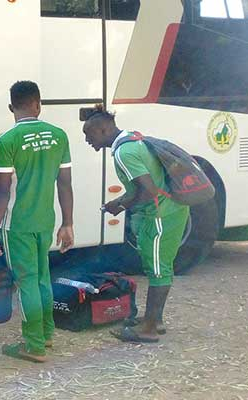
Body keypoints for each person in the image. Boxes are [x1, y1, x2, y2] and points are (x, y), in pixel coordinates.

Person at [82, 105, 189, 343]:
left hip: (161, 213)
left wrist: (120, 206)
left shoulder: (124, 153)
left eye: (88, 134)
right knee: (160, 266)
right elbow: (143, 188)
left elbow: (149, 191)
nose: (87, 140)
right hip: (169, 209)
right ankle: (154, 319)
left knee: (158, 268)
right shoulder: (132, 140)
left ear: (103, 129)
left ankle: (149, 327)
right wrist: (119, 202)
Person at [0, 81, 75, 363]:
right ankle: (47, 334)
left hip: (18, 225)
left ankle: (34, 345)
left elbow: (2, 190)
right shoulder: (59, 135)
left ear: (11, 107)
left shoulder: (6, 141)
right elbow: (65, 184)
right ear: (39, 104)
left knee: (26, 282)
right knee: (42, 279)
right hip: (45, 220)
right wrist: (68, 223)